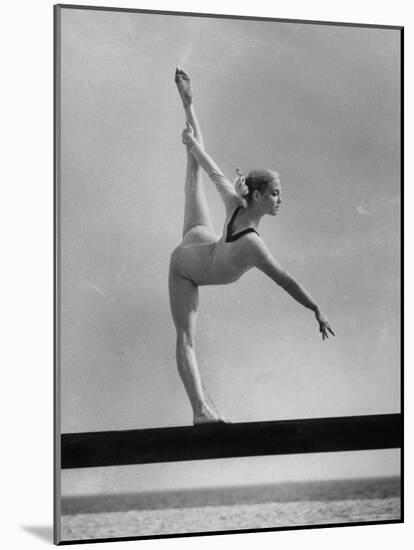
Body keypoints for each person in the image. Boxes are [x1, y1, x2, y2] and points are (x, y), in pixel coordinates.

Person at [169, 67, 335, 425]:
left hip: (202, 239)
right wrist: (315, 306)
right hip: (186, 265)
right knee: (185, 336)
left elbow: (207, 161)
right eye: (275, 194)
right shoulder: (253, 246)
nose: (281, 200)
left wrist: (191, 122)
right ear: (257, 195)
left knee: (194, 166)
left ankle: (186, 101)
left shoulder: (235, 203)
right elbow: (286, 280)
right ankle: (200, 411)